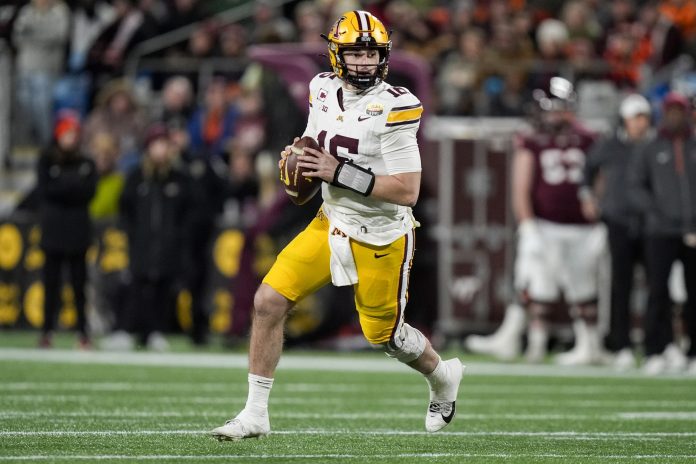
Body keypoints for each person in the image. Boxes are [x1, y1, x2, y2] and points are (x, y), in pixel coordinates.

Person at [211, 10, 464, 440]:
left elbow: (406, 191)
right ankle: (255, 414)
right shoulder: (321, 88)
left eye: (372, 54)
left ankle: (442, 375)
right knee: (268, 302)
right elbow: (314, 143)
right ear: (336, 54)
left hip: (382, 234)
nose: (364, 63)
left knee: (385, 336)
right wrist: (301, 161)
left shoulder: (398, 105)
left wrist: (335, 171)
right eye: (356, 53)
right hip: (332, 220)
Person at [466, 77, 605, 365]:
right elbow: (521, 186)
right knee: (536, 282)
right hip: (545, 224)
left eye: (556, 108)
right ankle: (532, 342)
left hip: (582, 226)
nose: (552, 114)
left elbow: (600, 180)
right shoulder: (533, 139)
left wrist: (600, 217)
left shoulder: (588, 138)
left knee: (583, 285)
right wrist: (528, 225)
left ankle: (589, 345)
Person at [580, 93, 655, 370]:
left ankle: (654, 346)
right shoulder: (610, 145)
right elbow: (587, 168)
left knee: (655, 287)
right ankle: (620, 344)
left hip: (651, 223)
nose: (640, 123)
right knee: (619, 285)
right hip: (619, 220)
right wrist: (588, 196)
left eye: (643, 117)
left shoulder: (654, 145)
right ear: (625, 119)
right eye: (636, 117)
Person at [628, 91, 695, 375]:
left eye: (680, 110)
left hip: (693, 230)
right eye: (672, 110)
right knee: (658, 291)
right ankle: (656, 348)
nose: (675, 115)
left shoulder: (693, 146)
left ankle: (693, 352)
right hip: (659, 231)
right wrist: (657, 212)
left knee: (695, 293)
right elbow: (635, 186)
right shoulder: (651, 148)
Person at [36, 111, 97, 348]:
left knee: (79, 287)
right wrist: (72, 187)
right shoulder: (46, 159)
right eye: (67, 133)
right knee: (51, 286)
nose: (70, 138)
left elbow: (88, 193)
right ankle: (46, 331)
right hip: (53, 232)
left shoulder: (86, 162)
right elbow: (46, 192)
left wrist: (62, 186)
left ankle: (83, 332)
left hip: (77, 233)